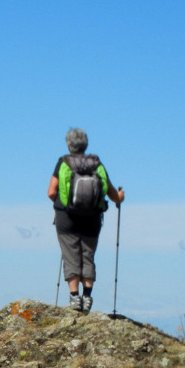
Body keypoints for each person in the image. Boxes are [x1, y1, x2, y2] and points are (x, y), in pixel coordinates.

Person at [47, 128, 125, 312]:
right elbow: (112, 193)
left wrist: (61, 203)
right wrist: (120, 197)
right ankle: (87, 296)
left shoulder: (63, 163)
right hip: (92, 217)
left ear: (68, 144)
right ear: (86, 144)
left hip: (66, 217)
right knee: (87, 254)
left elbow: (51, 191)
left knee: (71, 254)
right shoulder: (97, 164)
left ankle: (74, 298)